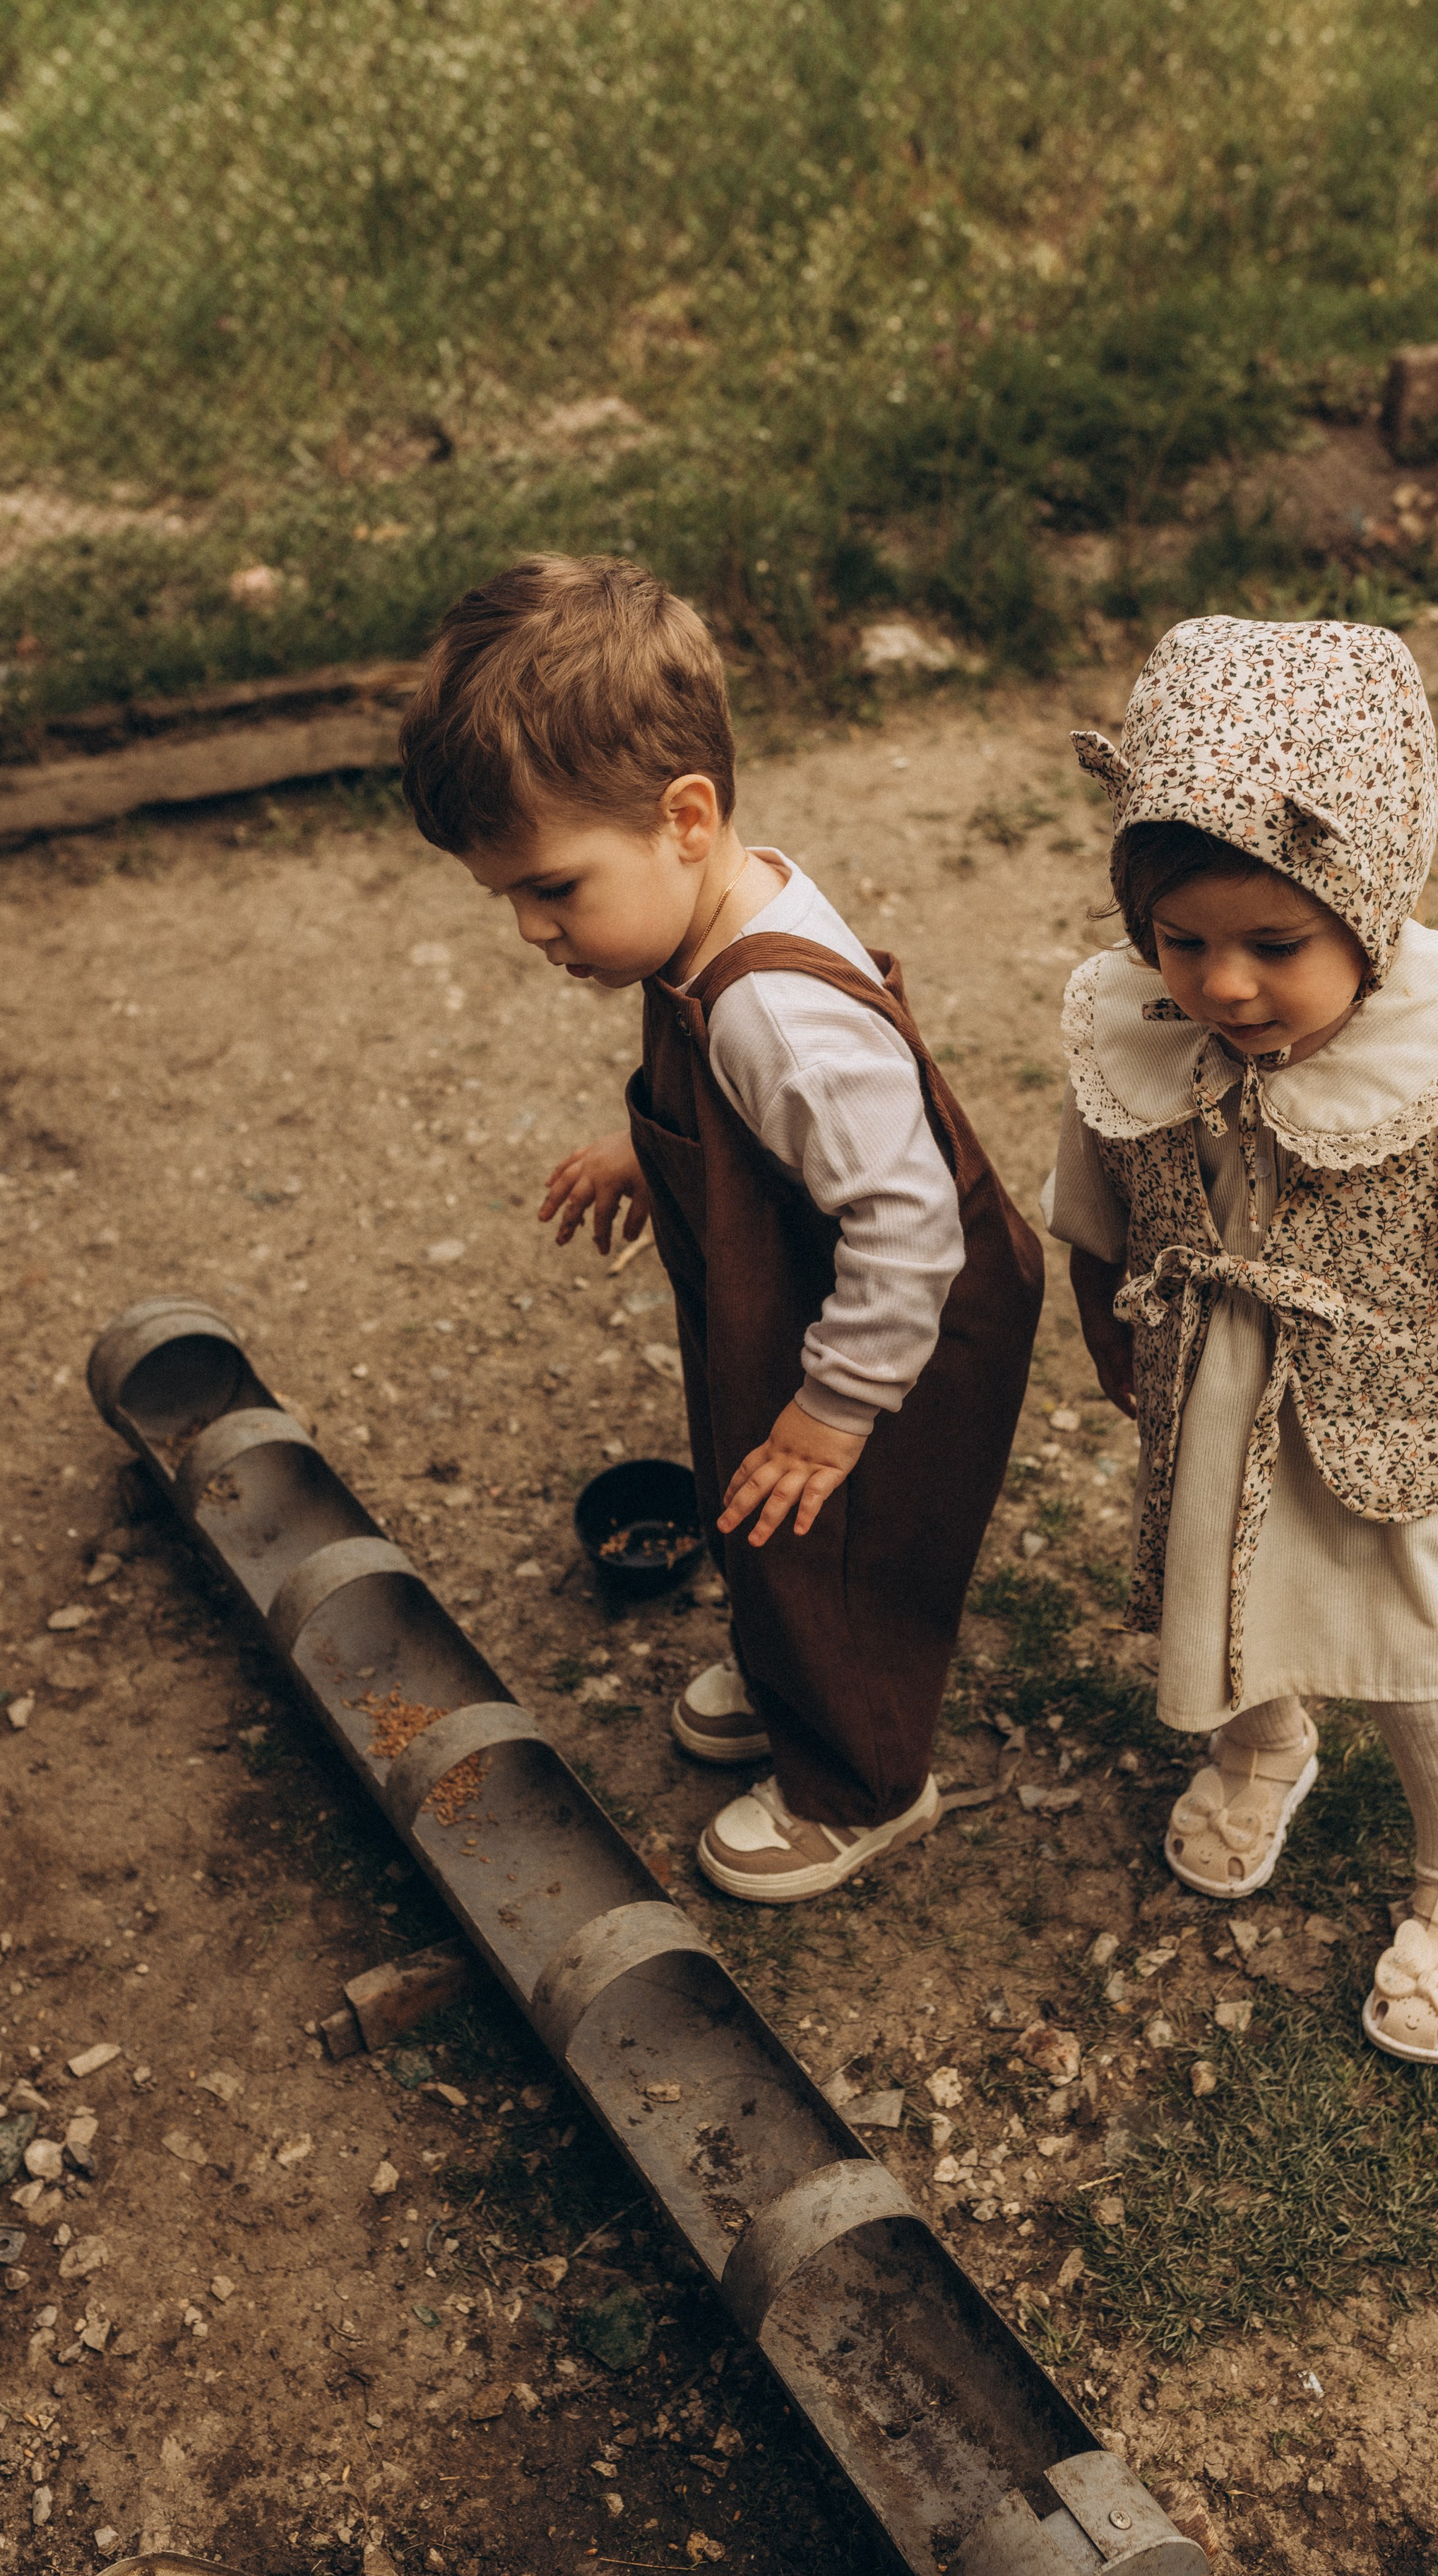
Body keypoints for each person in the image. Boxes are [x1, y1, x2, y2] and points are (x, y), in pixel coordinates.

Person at [1047, 614, 1438, 2062]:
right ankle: (1260, 1739)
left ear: (1371, 906)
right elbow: (1098, 1196)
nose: (1219, 985)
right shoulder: (1138, 1026)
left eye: (1273, 945)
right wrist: (1110, 1329)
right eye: (1181, 940)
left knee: (1419, 1670)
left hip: (1396, 1419)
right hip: (1214, 1396)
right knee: (1217, 1591)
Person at [399, 553, 1044, 1902]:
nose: (529, 928)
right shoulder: (704, 929)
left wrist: (842, 1406)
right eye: (506, 897)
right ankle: (793, 1676)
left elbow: (908, 1218)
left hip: (892, 1329)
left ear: (685, 819)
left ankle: (860, 1780)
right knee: (766, 1517)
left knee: (840, 1542)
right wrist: (648, 1148)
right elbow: (761, 1126)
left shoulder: (776, 1017)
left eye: (553, 888)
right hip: (810, 1296)